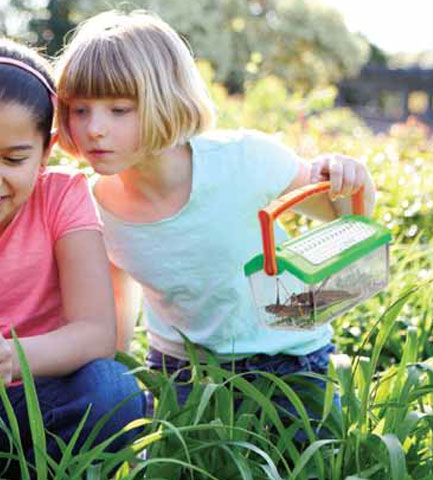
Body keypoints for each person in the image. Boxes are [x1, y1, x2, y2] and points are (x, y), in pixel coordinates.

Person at [55, 10, 375, 431]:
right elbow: (116, 307)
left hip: (291, 363)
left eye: (119, 109)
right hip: (182, 372)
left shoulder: (244, 159)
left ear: (166, 102)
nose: (94, 128)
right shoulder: (91, 204)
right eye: (79, 110)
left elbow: (346, 214)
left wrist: (351, 177)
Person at [0, 38, 144, 475]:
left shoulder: (62, 197)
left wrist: (10, 357)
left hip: (38, 397)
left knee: (111, 389)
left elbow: (97, 333)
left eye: (13, 158)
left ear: (46, 151)